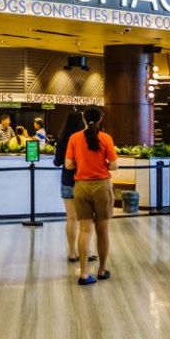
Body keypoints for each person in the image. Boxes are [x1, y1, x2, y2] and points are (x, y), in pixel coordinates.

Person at [65, 107, 118, 285]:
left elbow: (68, 165)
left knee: (85, 230)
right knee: (103, 230)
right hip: (102, 187)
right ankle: (102, 270)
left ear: (83, 118)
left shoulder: (74, 138)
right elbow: (114, 166)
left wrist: (82, 162)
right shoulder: (106, 138)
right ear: (101, 118)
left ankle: (84, 274)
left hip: (81, 187)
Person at [54, 111, 96, 264]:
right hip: (85, 182)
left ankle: (72, 252)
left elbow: (57, 162)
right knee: (86, 220)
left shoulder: (63, 138)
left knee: (71, 219)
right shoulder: (87, 138)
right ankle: (87, 251)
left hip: (67, 182)